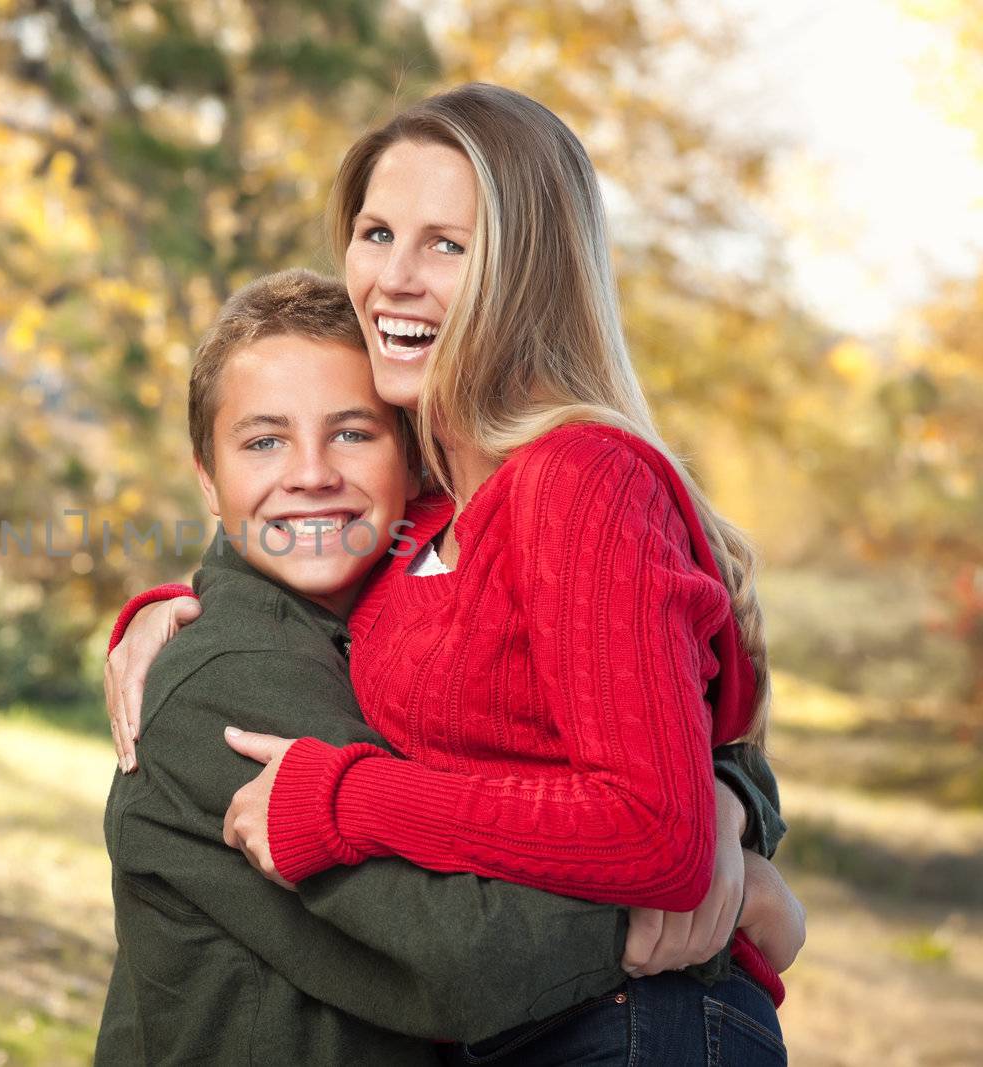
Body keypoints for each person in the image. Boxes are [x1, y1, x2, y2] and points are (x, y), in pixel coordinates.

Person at [104, 85, 803, 1063]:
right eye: (376, 231)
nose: (393, 276)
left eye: (446, 244)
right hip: (535, 1020)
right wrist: (164, 609)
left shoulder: (575, 481)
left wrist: (344, 798)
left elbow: (658, 807)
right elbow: (290, 533)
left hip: (633, 1024)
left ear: (522, 273)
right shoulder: (426, 520)